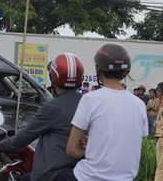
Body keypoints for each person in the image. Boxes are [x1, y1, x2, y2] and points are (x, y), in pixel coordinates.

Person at [61, 43, 148, 181]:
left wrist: (92, 150)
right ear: (126, 72)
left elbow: (71, 150)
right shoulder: (139, 104)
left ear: (98, 68)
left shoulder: (90, 99)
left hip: (88, 177)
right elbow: (126, 142)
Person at [0, 53, 85, 181]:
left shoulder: (53, 107)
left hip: (53, 174)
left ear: (52, 78)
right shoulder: (89, 103)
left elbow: (24, 137)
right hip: (81, 172)